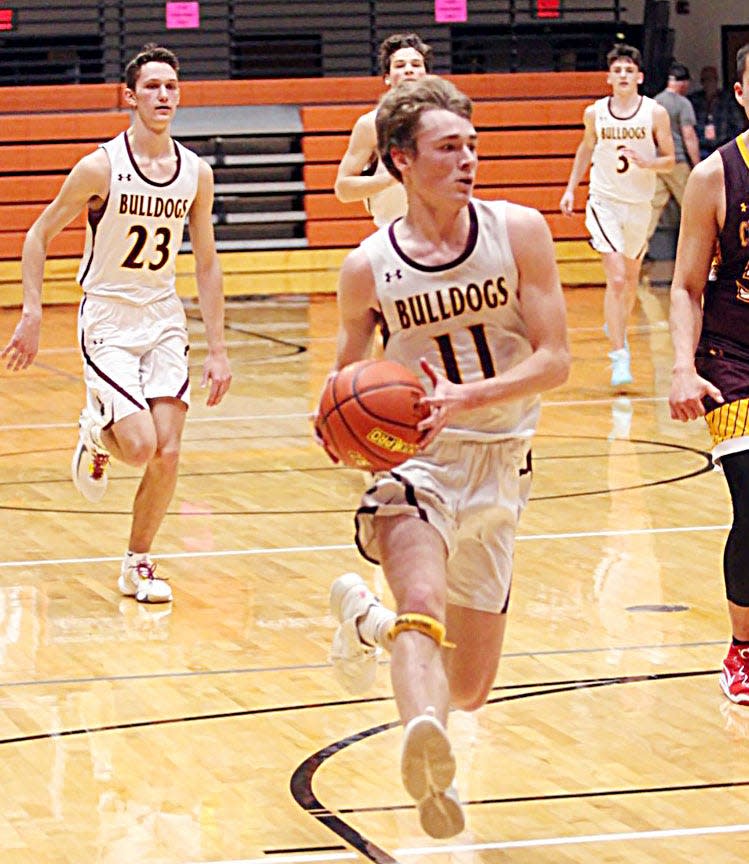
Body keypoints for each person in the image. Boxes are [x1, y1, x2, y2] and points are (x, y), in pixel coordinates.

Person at [317, 76, 570, 838]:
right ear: (400, 159)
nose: (466, 161)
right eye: (447, 148)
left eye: (471, 146)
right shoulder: (367, 267)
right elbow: (338, 383)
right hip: (413, 466)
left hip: (501, 460)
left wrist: (471, 396)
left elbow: (556, 359)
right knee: (422, 605)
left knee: (470, 686)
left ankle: (363, 621)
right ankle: (427, 762)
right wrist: (342, 432)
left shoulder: (518, 230)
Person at [1, 43, 232, 604]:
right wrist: (32, 311)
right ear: (129, 97)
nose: (163, 96)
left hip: (163, 316)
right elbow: (37, 235)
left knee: (169, 451)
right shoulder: (100, 166)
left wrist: (218, 349)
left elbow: (205, 261)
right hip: (107, 315)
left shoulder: (195, 173)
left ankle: (138, 562)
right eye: (152, 86)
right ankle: (95, 433)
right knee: (139, 447)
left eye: (171, 86)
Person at [669, 43, 749, 705]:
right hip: (732, 355)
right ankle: (741, 649)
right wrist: (677, 367)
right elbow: (687, 286)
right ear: (741, 95)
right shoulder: (714, 176)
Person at [560, 43, 675, 388]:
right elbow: (586, 148)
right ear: (609, 77)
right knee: (618, 279)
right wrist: (570, 188)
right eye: (618, 70)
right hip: (604, 200)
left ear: (639, 77)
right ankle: (619, 356)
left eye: (629, 70)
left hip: (639, 202)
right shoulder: (595, 113)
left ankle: (618, 326)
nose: (623, 75)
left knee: (629, 281)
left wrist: (649, 163)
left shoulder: (654, 113)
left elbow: (670, 159)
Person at [333, 32, 432, 227]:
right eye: (400, 65)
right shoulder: (371, 124)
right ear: (387, 77)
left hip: (439, 233)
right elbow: (344, 189)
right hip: (392, 234)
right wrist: (391, 178)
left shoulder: (446, 120)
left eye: (416, 64)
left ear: (426, 74)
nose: (409, 70)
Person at [645, 62, 701, 243]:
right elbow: (689, 136)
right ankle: (707, 249)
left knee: (652, 207)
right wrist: (697, 165)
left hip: (658, 162)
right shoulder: (683, 103)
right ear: (683, 83)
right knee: (694, 207)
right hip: (677, 162)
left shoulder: (653, 102)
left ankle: (638, 247)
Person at [689, 64, 746, 160]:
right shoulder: (695, 100)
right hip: (701, 149)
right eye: (705, 80)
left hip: (722, 147)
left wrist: (729, 144)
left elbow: (739, 125)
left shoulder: (726, 99)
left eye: (711, 79)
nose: (709, 83)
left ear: (716, 80)